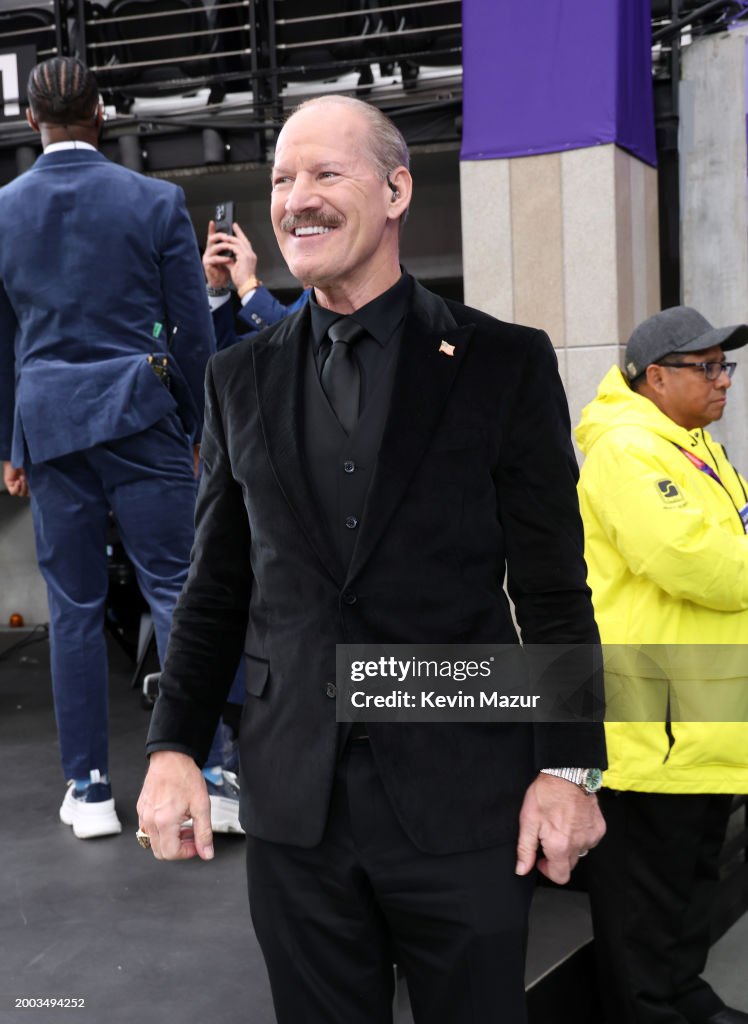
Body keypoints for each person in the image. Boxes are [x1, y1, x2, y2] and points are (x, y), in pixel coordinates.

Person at [137, 95, 606, 1024]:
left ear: (396, 190)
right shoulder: (239, 376)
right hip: (292, 808)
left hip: (462, 799)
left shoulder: (502, 364)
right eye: (280, 179)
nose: (295, 200)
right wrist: (173, 745)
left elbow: (552, 586)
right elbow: (216, 586)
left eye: (324, 174)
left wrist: (570, 770)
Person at [0, 57, 215, 839]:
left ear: (31, 121)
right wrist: (195, 429)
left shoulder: (1, 211)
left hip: (50, 426)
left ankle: (89, 789)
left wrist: (10, 443)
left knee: (74, 608)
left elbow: (2, 344)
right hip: (143, 416)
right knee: (179, 591)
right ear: (102, 113)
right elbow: (191, 334)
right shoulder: (156, 200)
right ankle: (213, 770)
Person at [575, 306, 748, 1024]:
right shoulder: (627, 448)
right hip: (657, 728)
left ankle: (683, 995)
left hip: (703, 720)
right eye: (706, 368)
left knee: (692, 882)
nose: (723, 383)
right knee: (647, 900)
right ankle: (655, 1007)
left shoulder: (690, 445)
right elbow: (697, 563)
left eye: (725, 366)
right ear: (656, 378)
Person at [202, 217, 310, 349]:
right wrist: (217, 289)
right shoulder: (295, 309)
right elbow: (224, 355)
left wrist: (247, 284)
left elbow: (298, 335)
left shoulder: (332, 306)